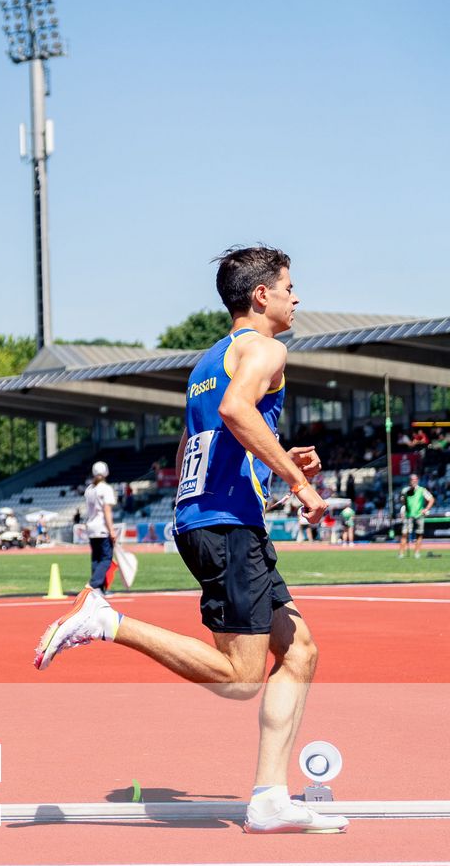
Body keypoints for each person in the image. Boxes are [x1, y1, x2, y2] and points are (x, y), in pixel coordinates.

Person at [34, 245, 343, 833]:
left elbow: (192, 446)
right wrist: (297, 479)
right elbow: (236, 411)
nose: (296, 297)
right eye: (288, 286)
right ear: (261, 296)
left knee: (300, 651)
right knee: (241, 679)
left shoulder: (208, 361)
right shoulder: (267, 348)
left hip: (212, 518)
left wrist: (274, 462)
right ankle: (107, 620)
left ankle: (270, 798)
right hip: (224, 526)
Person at [82, 461, 118, 590]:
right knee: (106, 559)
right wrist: (112, 531)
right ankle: (93, 584)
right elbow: (107, 512)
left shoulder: (89, 489)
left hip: (91, 527)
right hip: (102, 527)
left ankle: (99, 589)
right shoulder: (106, 489)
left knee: (96, 559)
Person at [400, 474, 435, 557]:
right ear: (409, 481)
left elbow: (431, 499)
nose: (414, 481)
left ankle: (417, 553)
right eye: (412, 479)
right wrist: (403, 508)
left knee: (419, 534)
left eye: (415, 479)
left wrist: (426, 509)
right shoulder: (405, 490)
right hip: (408, 515)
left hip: (419, 515)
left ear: (418, 480)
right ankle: (401, 554)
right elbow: (403, 502)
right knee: (405, 534)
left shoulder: (422, 490)